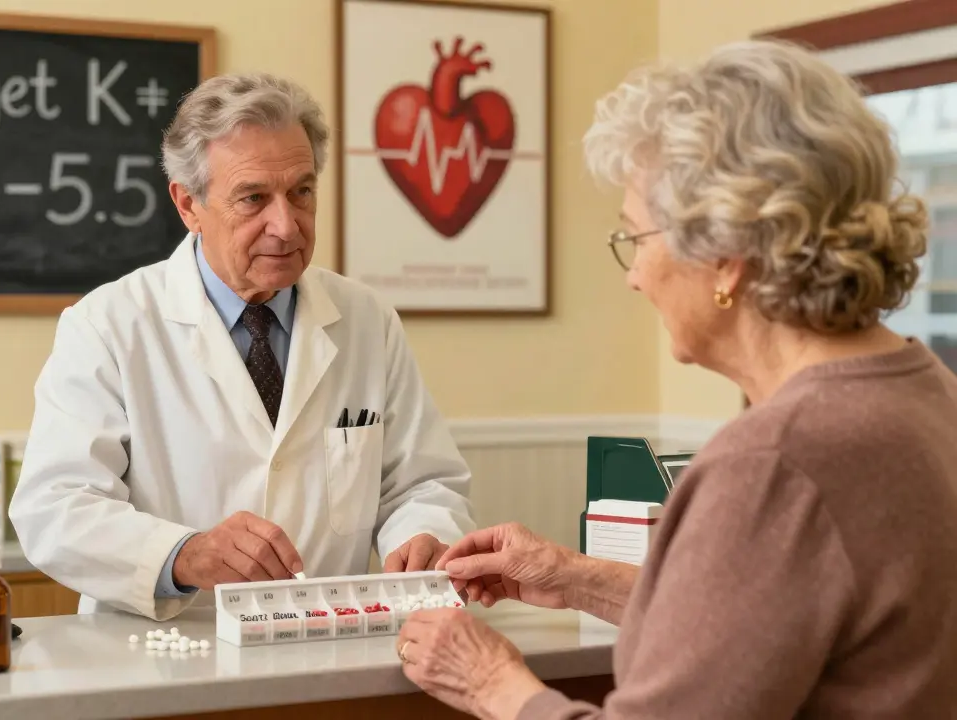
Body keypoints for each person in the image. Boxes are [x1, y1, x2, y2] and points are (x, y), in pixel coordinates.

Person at [393, 39, 957, 719]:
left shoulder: (772, 464)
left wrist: (494, 686)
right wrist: (577, 580)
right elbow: (769, 620)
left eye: (635, 238)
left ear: (725, 257)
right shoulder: (927, 390)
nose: (633, 275)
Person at [9, 72, 476, 622]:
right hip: (163, 657)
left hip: (326, 648)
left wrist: (423, 533)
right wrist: (183, 555)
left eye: (301, 191)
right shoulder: (108, 325)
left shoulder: (366, 320)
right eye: (253, 199)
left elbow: (422, 482)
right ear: (188, 205)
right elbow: (54, 508)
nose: (285, 225)